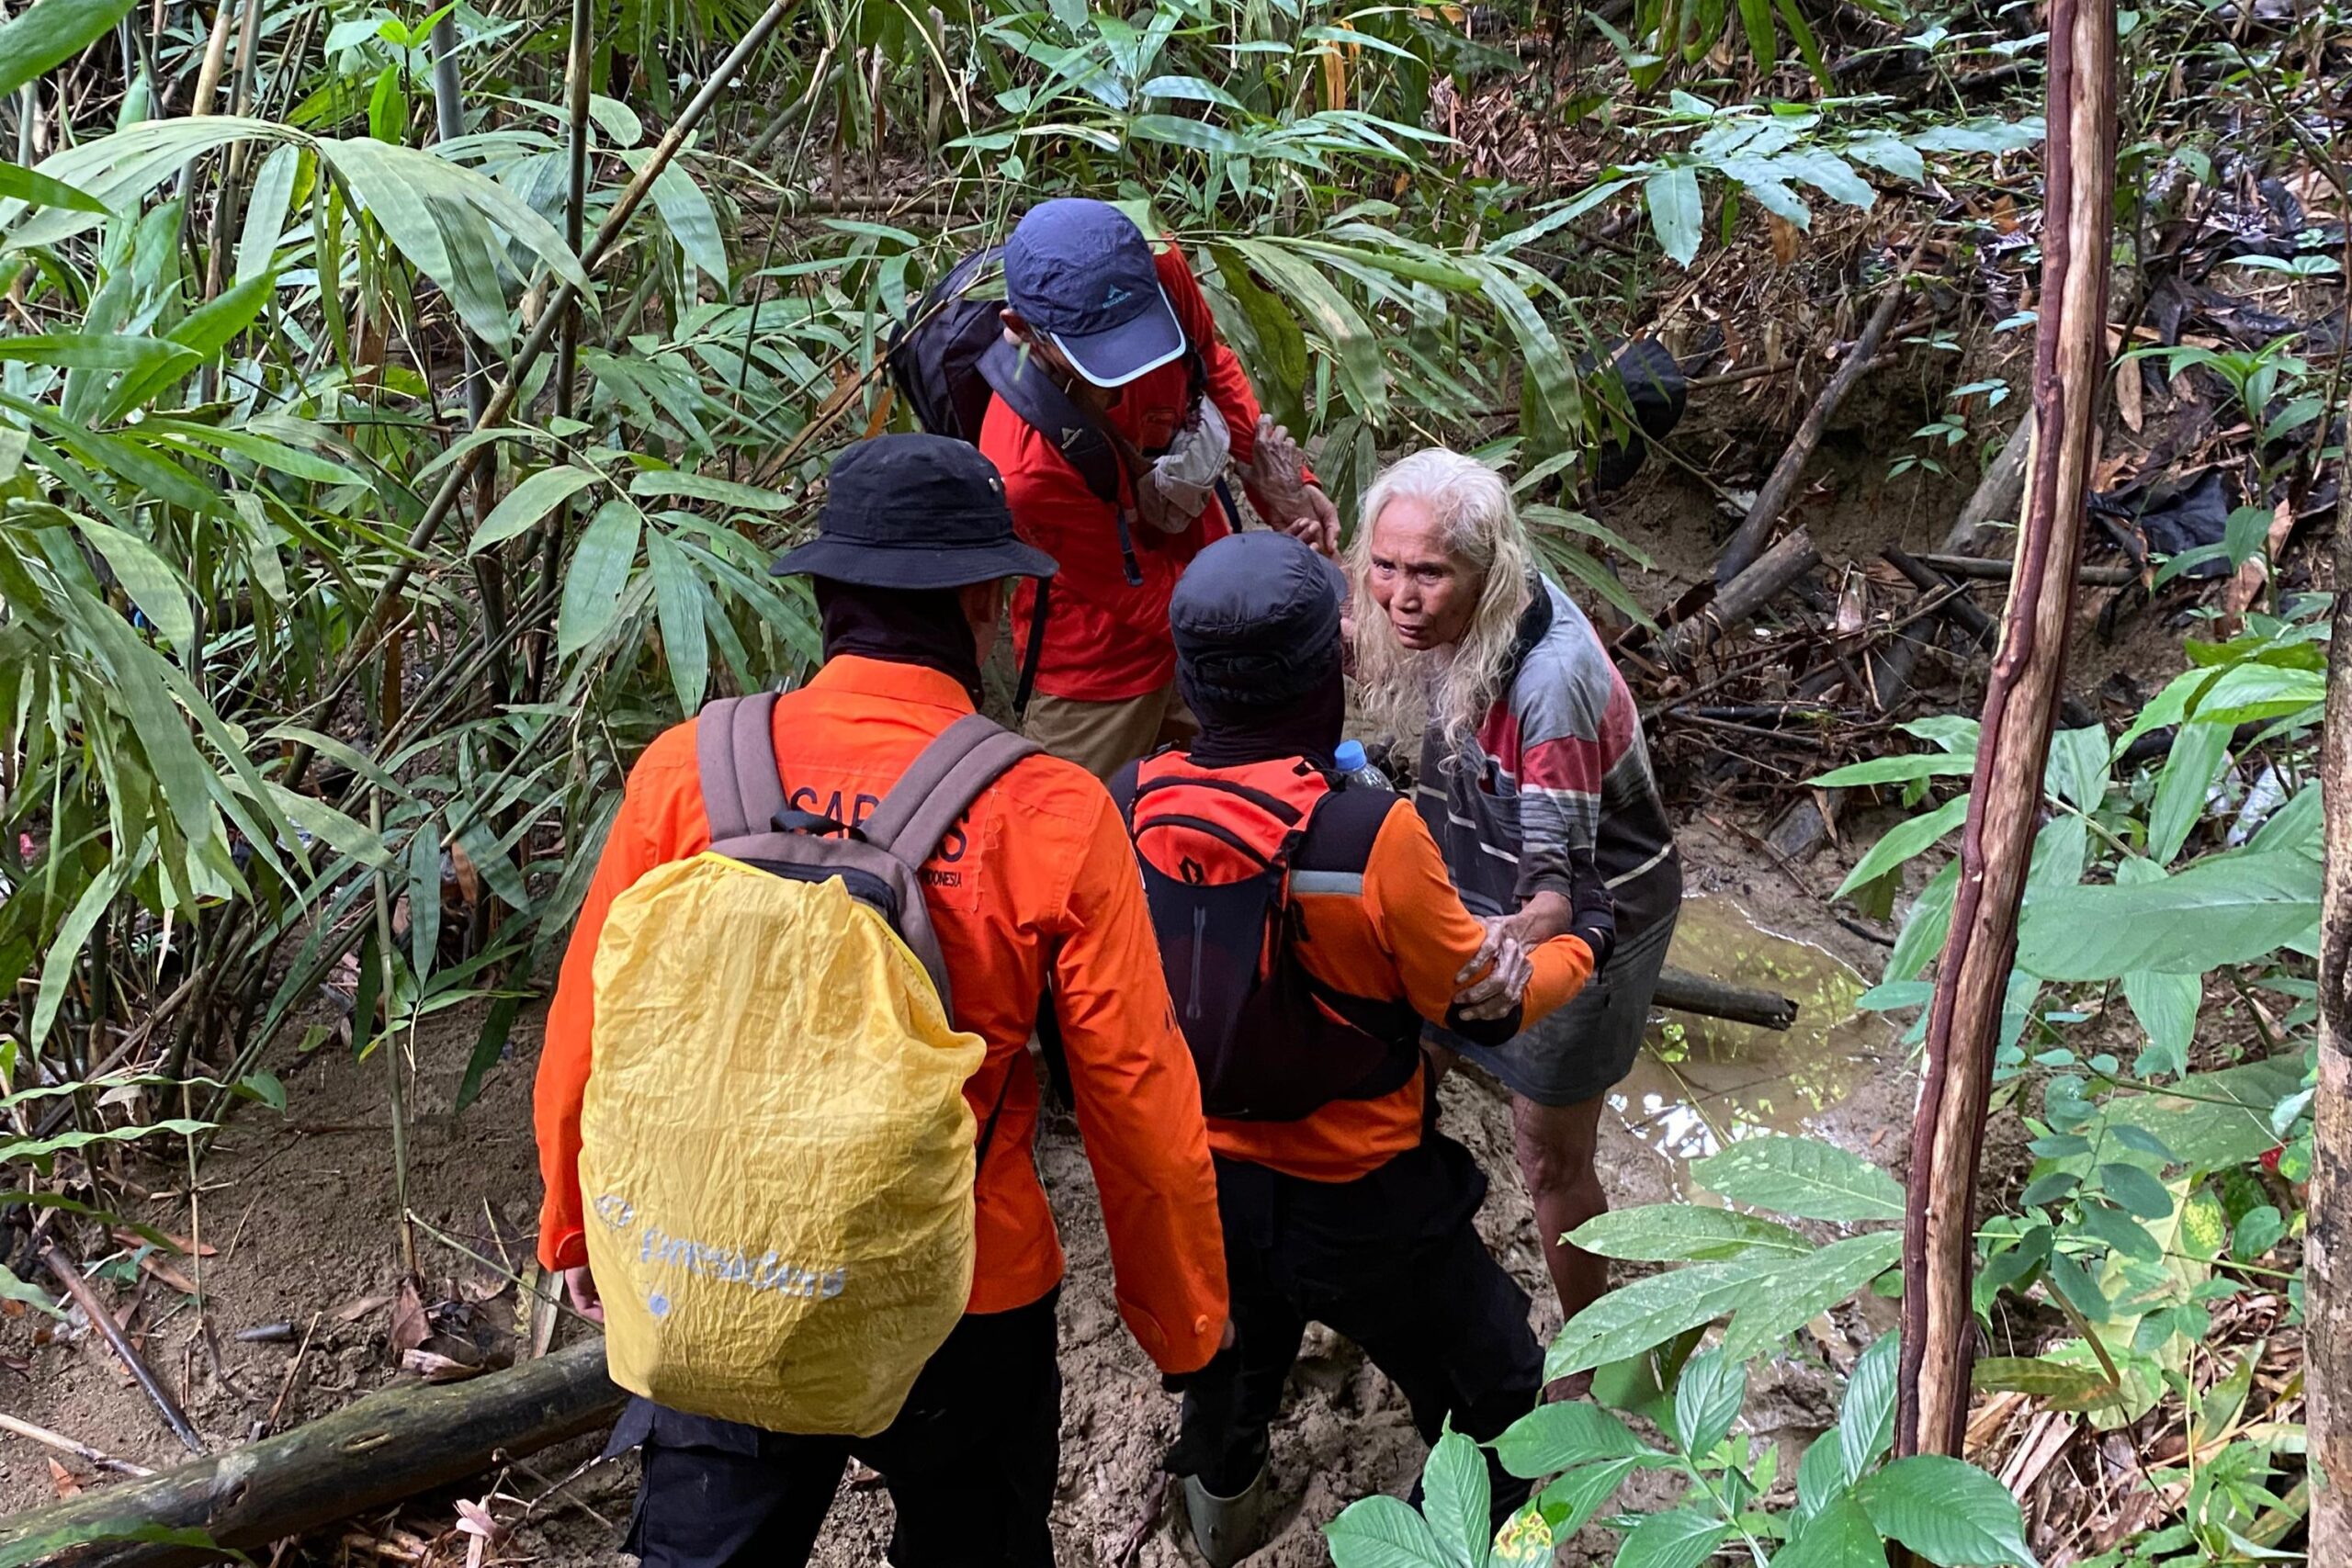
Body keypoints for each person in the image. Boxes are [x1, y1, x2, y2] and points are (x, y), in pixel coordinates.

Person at [532, 434, 1232, 1567]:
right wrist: (1185, 1323)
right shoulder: (1048, 811)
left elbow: (592, 1028)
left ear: (829, 598)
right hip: (965, 1287)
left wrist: (573, 1224)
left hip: (728, 1258)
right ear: (990, 602)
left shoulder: (686, 768)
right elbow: (1137, 1098)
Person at [1112, 531, 1606, 1564]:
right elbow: (1481, 1011)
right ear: (1324, 672)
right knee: (1499, 1390)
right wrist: (1583, 946)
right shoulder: (1365, 836)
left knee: (1234, 1368)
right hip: (1361, 1197)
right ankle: (1430, 1547)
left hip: (1201, 1186)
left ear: (1191, 677)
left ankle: (1220, 1517)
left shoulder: (1125, 805)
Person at [1348, 447, 1682, 1376]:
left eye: (1427, 573)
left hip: (1588, 915)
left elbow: (1555, 888)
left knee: (1548, 1158)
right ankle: (1419, 1265)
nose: (1398, 597)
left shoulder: (1551, 681)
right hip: (1475, 869)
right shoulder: (1431, 623)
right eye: (1384, 566)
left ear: (1487, 572)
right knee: (1406, 1067)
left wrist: (1477, 949)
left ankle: (1591, 1356)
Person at [984, 197, 1340, 780]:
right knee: (1068, 827)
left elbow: (1209, 363)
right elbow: (1134, 592)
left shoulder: (1160, 267)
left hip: (1201, 565)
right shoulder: (1026, 467)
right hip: (1101, 657)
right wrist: (1265, 621)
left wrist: (1280, 482)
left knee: (1271, 793)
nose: (1132, 373)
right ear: (1022, 332)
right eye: (1101, 354)